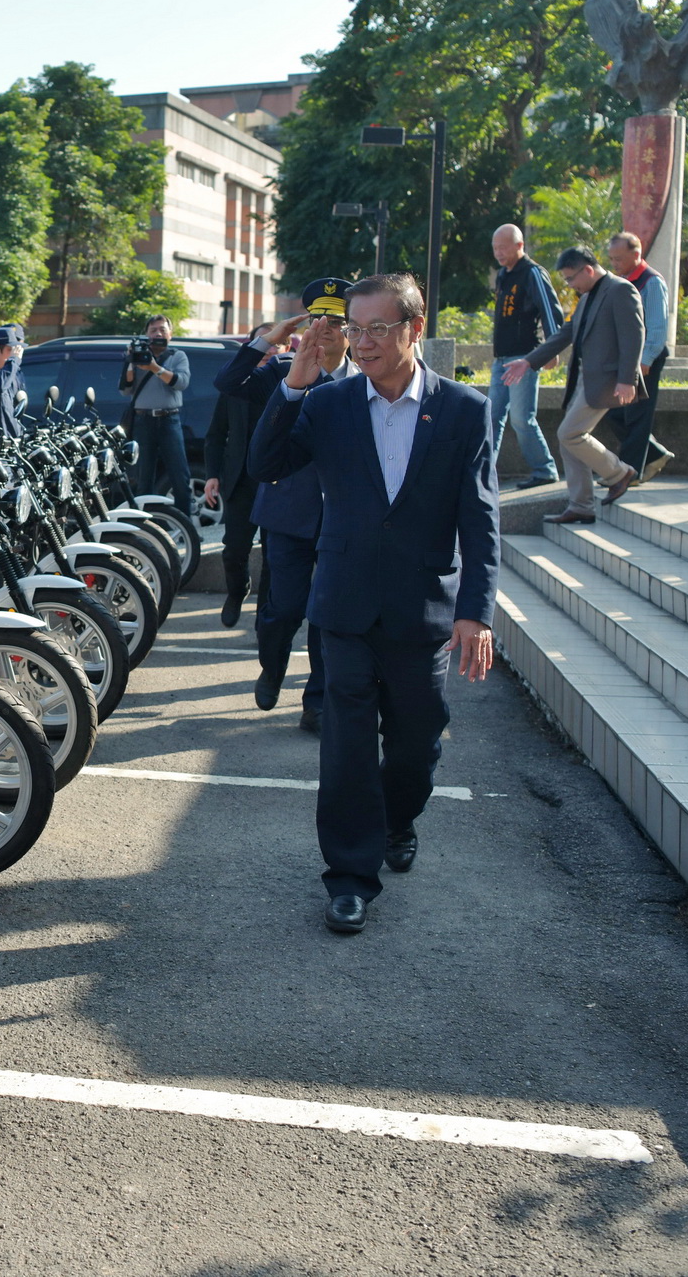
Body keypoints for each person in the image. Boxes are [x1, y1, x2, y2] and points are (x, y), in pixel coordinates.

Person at [245, 273, 500, 936]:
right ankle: (350, 878)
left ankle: (398, 820)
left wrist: (477, 612)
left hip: (423, 609)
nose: (362, 343)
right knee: (347, 747)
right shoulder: (328, 405)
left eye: (377, 329)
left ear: (414, 329)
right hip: (345, 605)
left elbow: (481, 518)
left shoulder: (465, 411)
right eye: (354, 330)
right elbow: (267, 464)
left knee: (416, 744)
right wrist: (295, 381)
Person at [251, 290, 352, 736]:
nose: (326, 330)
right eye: (318, 320)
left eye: (337, 322)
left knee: (326, 614)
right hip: (290, 512)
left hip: (342, 520)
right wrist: (270, 344)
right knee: (283, 610)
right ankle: (272, 667)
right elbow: (231, 384)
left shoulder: (366, 377)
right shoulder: (282, 370)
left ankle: (316, 701)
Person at [503, 247, 643, 526]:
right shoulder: (589, 294)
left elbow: (634, 335)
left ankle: (619, 473)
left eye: (570, 279)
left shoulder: (620, 290)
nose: (570, 285)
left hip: (607, 380)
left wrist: (628, 379)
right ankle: (581, 506)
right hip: (585, 379)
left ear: (587, 270)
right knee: (569, 441)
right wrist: (529, 362)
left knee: (570, 433)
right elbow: (566, 334)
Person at [202, 308, 311, 627]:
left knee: (273, 556)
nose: (271, 350)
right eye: (265, 343)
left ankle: (265, 617)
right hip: (241, 480)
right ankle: (237, 592)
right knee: (234, 549)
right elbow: (215, 434)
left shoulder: (291, 380)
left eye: (277, 343)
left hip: (279, 481)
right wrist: (212, 475)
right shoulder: (237, 389)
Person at [487, 224, 564, 489]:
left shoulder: (533, 273)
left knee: (521, 418)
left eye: (503, 247)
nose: (498, 252)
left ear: (520, 246)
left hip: (525, 357)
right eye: (495, 247)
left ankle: (544, 469)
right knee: (491, 416)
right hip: (502, 359)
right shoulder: (502, 274)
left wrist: (551, 351)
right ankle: (485, 471)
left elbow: (550, 311)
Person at [604, 232, 674, 480]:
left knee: (637, 415)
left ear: (636, 255)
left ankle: (629, 473)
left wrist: (646, 360)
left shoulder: (651, 282)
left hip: (644, 359)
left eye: (619, 259)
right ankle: (654, 454)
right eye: (612, 259)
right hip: (623, 358)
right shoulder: (618, 279)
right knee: (614, 412)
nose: (614, 264)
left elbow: (657, 326)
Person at [119, 314, 191, 514]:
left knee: (180, 476)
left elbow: (181, 383)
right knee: (144, 478)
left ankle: (187, 525)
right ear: (146, 335)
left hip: (169, 420)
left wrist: (154, 367)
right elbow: (125, 390)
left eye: (162, 329)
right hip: (143, 420)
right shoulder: (138, 354)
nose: (158, 333)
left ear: (170, 334)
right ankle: (145, 527)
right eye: (153, 330)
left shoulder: (177, 356)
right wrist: (131, 361)